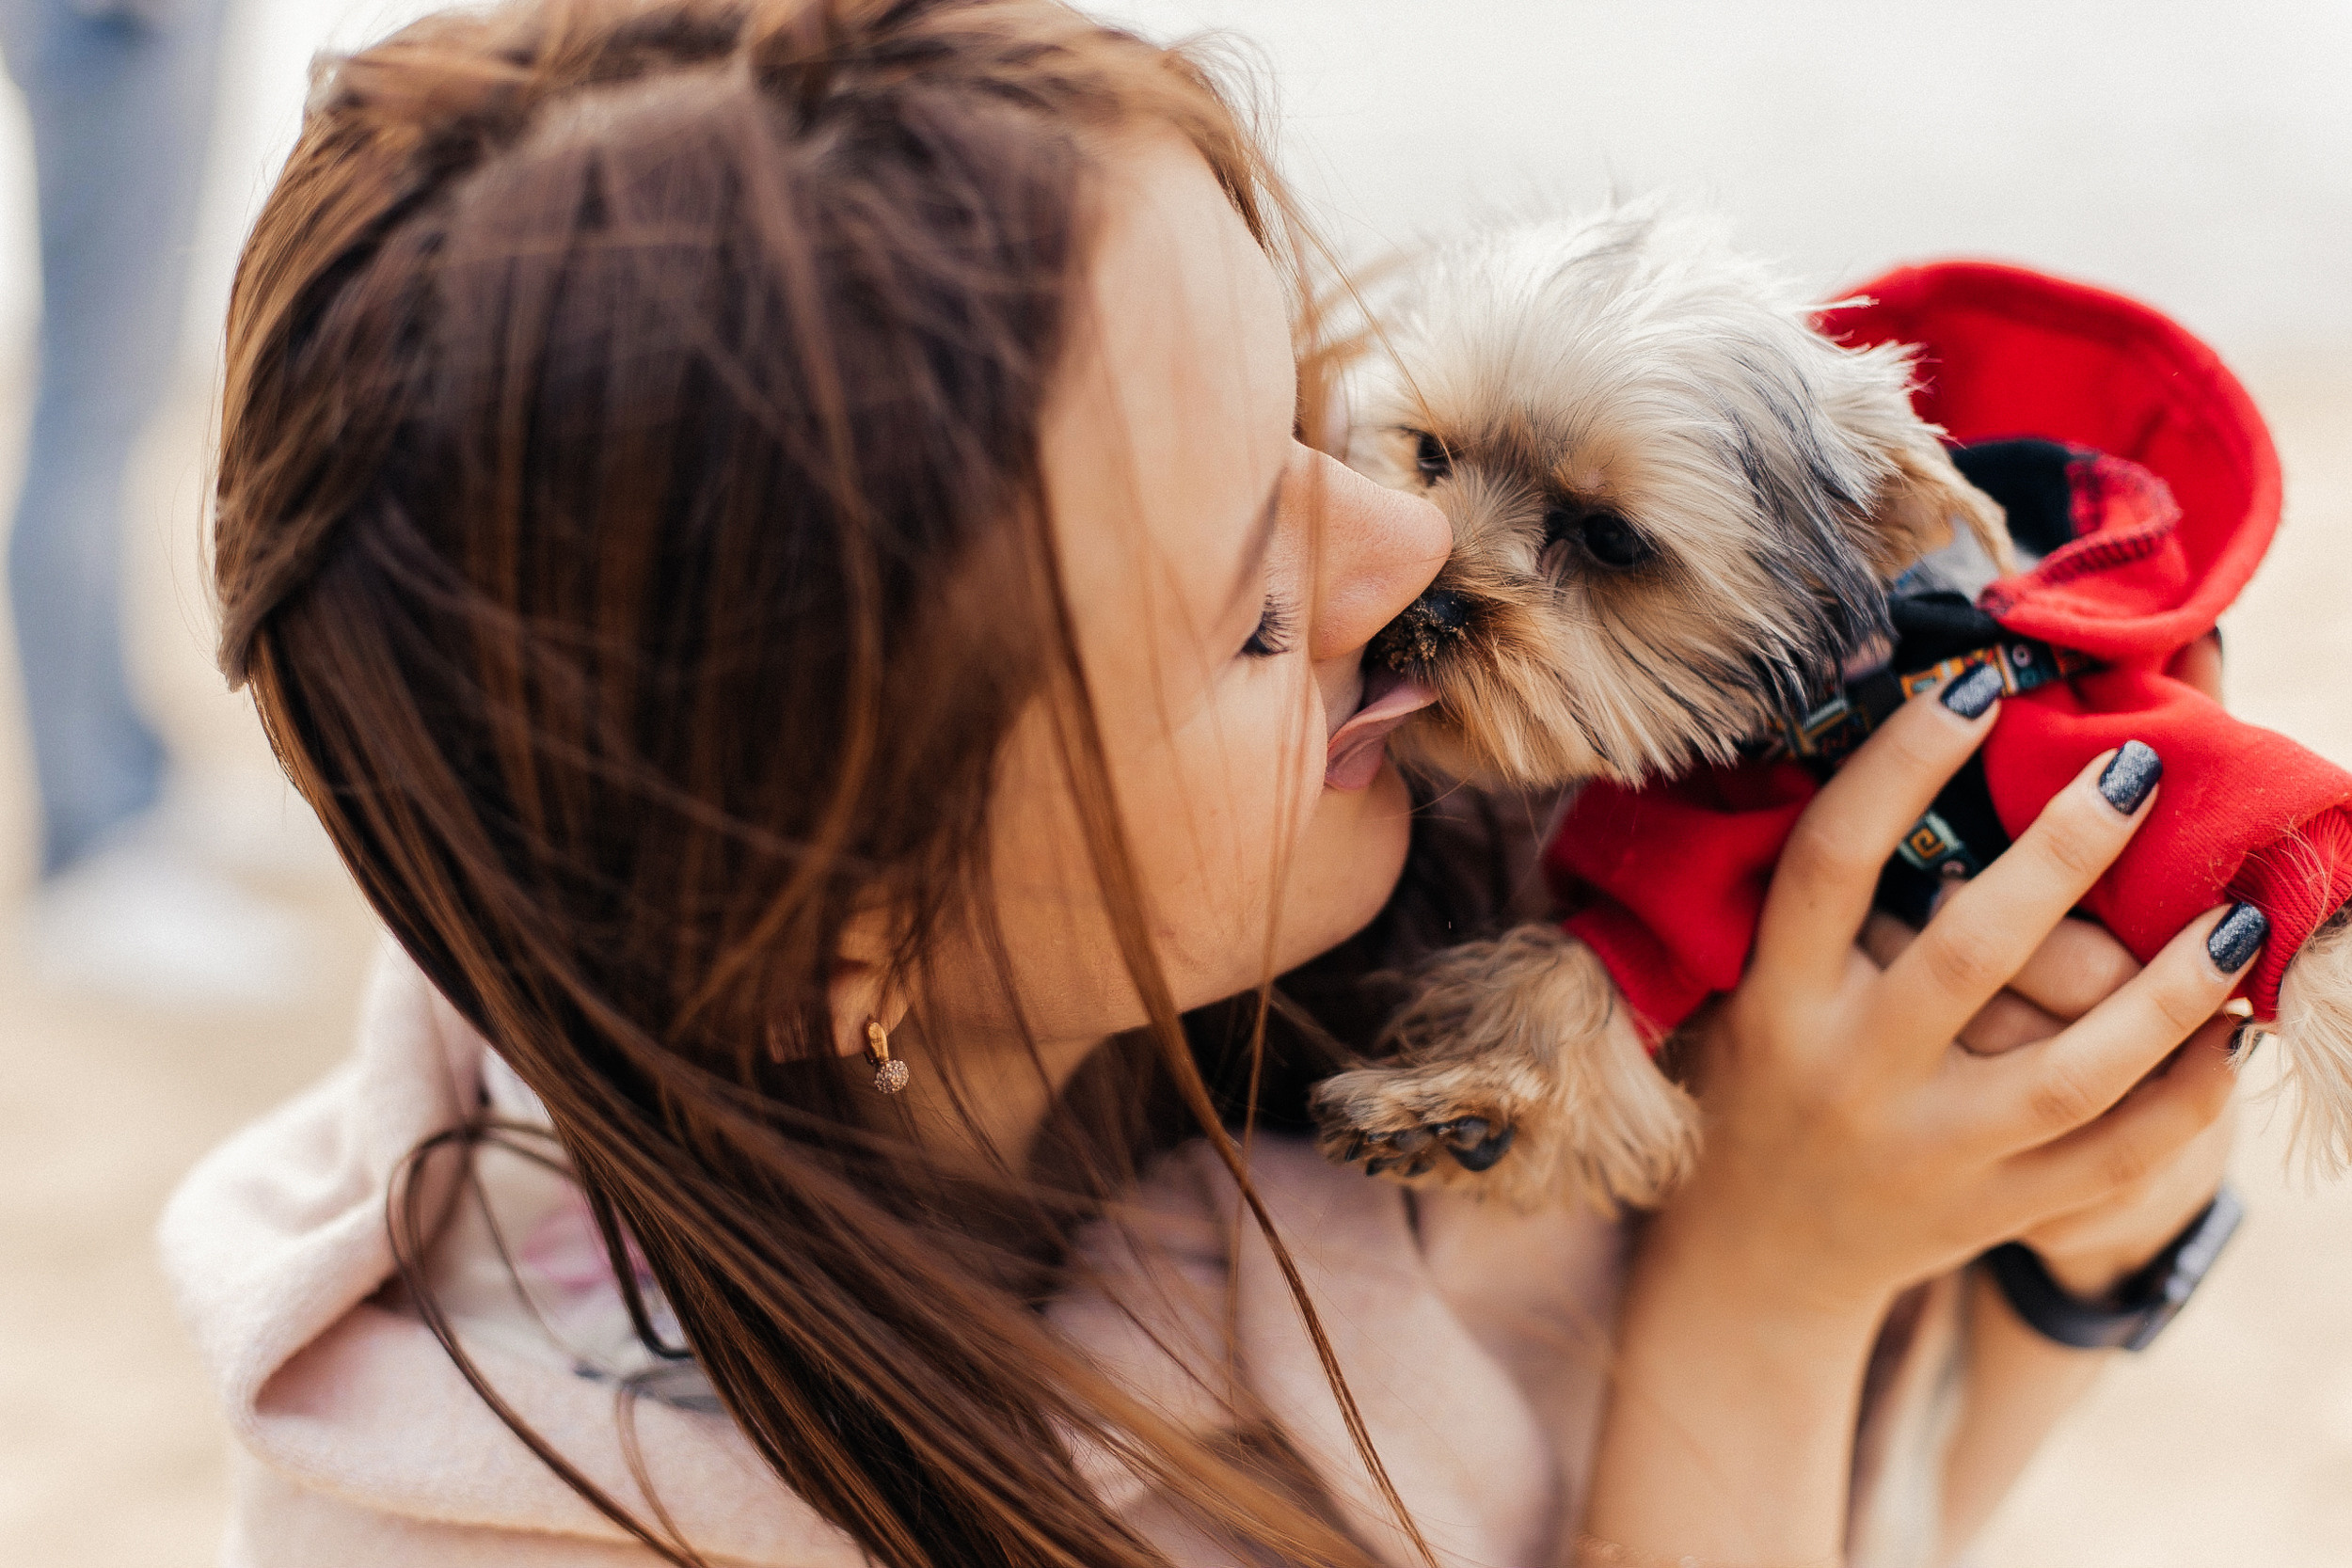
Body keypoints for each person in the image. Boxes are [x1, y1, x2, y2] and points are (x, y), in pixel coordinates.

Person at [162, 1, 2248, 1562]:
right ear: (841, 925)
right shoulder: (499, 1506)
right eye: (1244, 610)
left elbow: (1923, 1482)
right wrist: (1763, 1297)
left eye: (1311, 411)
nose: (1398, 544)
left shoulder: (1478, 893)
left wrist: (2089, 1214)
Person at [2, 0, 310, 1005]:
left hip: (148, 24)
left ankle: (131, 777)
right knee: (91, 409)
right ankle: (95, 842)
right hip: (112, 20)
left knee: (118, 402)